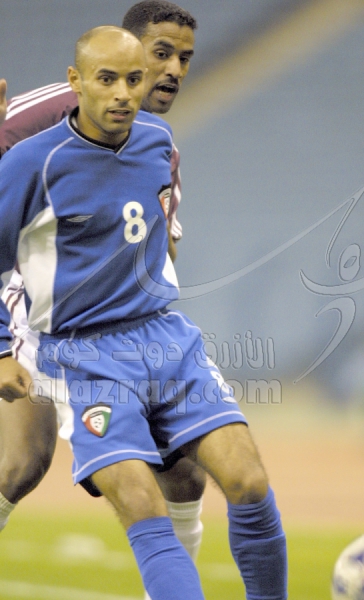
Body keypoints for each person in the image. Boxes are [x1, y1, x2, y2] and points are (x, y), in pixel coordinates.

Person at [0, 24, 287, 600]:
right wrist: (3, 349)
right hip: (82, 357)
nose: (123, 93)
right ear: (76, 81)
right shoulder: (31, 162)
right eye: (107, 79)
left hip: (166, 340)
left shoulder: (159, 138)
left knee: (249, 482)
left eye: (133, 80)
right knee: (136, 501)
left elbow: (161, 226)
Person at [0, 3, 207, 583]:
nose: (172, 70)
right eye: (160, 53)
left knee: (186, 472)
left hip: (118, 326)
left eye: (183, 58)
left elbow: (162, 245)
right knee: (23, 461)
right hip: (35, 304)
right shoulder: (44, 115)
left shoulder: (154, 139)